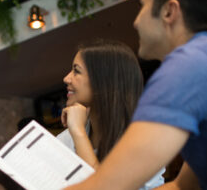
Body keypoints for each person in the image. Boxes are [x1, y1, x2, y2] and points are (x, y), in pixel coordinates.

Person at [65, 0, 207, 189]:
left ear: (169, 11)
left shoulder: (190, 66)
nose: (136, 22)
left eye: (142, 5)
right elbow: (183, 186)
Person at [57, 40, 164, 190]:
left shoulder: (144, 142)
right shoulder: (63, 141)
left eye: (77, 71)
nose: (66, 78)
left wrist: (78, 132)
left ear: (103, 81)